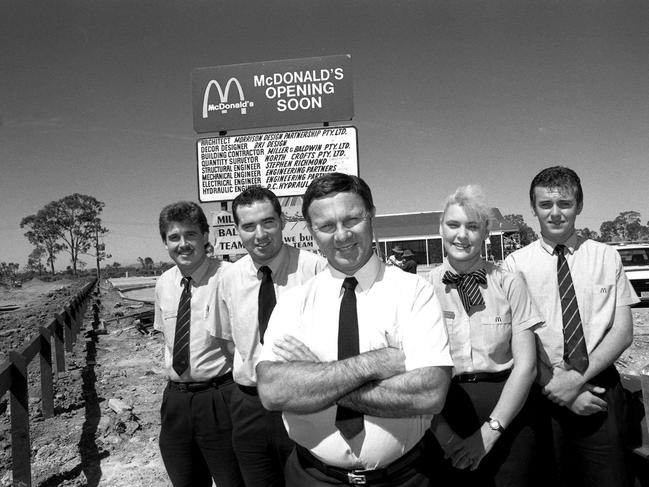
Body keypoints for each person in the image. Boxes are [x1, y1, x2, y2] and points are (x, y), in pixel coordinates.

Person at [256, 172, 453, 487]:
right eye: (326, 226)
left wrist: (315, 380)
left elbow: (430, 392)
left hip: (407, 478)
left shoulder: (415, 292)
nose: (342, 235)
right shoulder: (294, 303)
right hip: (313, 478)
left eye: (352, 220)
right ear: (311, 231)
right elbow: (272, 391)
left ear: (371, 215)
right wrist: (376, 363)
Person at [504, 166, 638, 487]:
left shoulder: (607, 257)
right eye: (545, 205)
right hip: (541, 387)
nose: (555, 213)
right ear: (533, 208)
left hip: (598, 387)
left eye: (564, 204)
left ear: (579, 205)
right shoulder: (515, 265)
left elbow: (623, 331)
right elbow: (519, 340)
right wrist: (560, 389)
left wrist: (576, 381)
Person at [428, 185, 543, 486]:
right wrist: (444, 435)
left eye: (472, 226)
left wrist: (491, 431)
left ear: (486, 232)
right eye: (453, 225)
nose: (461, 235)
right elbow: (413, 371)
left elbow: (526, 366)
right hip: (441, 415)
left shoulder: (510, 284)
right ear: (440, 229)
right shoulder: (421, 290)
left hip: (507, 413)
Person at [212, 186, 327, 487]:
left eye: (268, 222)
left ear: (282, 221)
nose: (259, 234)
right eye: (248, 226)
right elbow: (228, 343)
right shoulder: (228, 278)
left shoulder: (315, 269)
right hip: (249, 406)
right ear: (237, 229)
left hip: (304, 400)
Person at [154, 201, 243, 487]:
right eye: (174, 237)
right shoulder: (164, 283)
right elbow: (166, 340)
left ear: (206, 236)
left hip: (221, 397)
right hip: (176, 401)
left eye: (190, 235)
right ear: (165, 243)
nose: (183, 244)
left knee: (233, 481)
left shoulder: (231, 277)